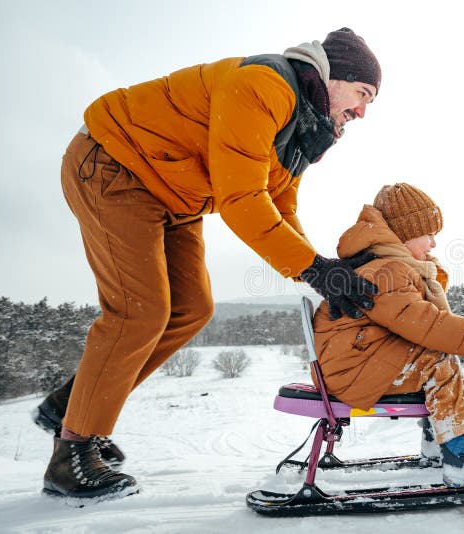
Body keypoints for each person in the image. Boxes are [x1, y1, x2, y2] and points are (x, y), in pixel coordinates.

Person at [34, 28, 382, 502]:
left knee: (192, 309)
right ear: (334, 77)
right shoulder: (268, 86)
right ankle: (70, 455)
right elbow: (242, 201)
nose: (362, 111)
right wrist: (313, 269)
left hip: (175, 192)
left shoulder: (304, 127)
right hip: (116, 161)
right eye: (362, 94)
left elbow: (281, 207)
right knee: (139, 311)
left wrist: (323, 268)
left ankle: (69, 406)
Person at [311, 183, 464, 486]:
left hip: (356, 363)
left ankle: (440, 443)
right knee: (437, 359)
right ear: (405, 233)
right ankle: (463, 453)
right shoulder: (386, 272)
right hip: (353, 370)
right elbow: (428, 324)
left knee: (432, 355)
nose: (432, 244)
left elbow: (426, 319)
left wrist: (427, 272)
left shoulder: (387, 266)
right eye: (428, 235)